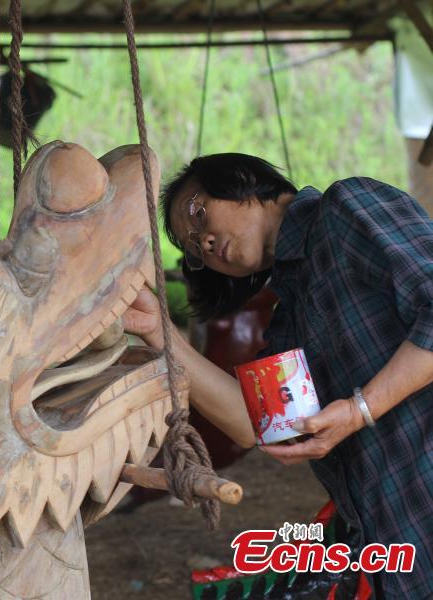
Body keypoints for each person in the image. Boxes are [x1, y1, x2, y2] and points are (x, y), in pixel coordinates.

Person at [122, 153, 433, 598]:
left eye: (198, 213)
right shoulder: (289, 319)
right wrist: (161, 332)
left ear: (244, 180)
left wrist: (360, 409)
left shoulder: (347, 208)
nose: (204, 243)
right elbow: (256, 424)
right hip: (396, 547)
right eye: (193, 250)